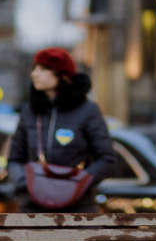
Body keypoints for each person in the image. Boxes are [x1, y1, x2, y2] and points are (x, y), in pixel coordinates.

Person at [7, 47, 116, 211]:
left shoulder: (87, 110)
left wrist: (80, 182)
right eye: (35, 68)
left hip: (78, 208)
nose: (34, 74)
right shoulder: (30, 111)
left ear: (62, 75)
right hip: (33, 207)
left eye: (43, 69)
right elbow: (15, 158)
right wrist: (26, 183)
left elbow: (107, 158)